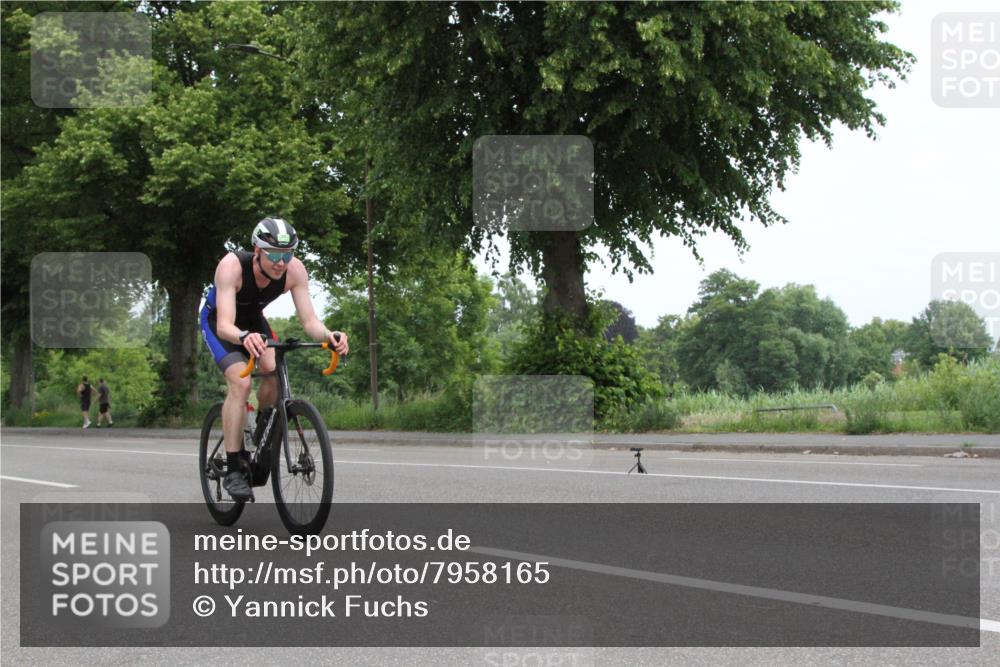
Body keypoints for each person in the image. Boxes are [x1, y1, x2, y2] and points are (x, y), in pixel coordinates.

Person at [199, 217, 348, 501]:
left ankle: (263, 428)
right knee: (240, 385)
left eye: (287, 254)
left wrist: (330, 336)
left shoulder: (295, 271)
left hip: (254, 321)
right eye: (274, 255)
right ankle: (233, 468)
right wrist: (243, 337)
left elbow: (310, 321)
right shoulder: (231, 266)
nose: (281, 262)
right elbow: (225, 326)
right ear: (257, 251)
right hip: (221, 322)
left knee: (272, 370)